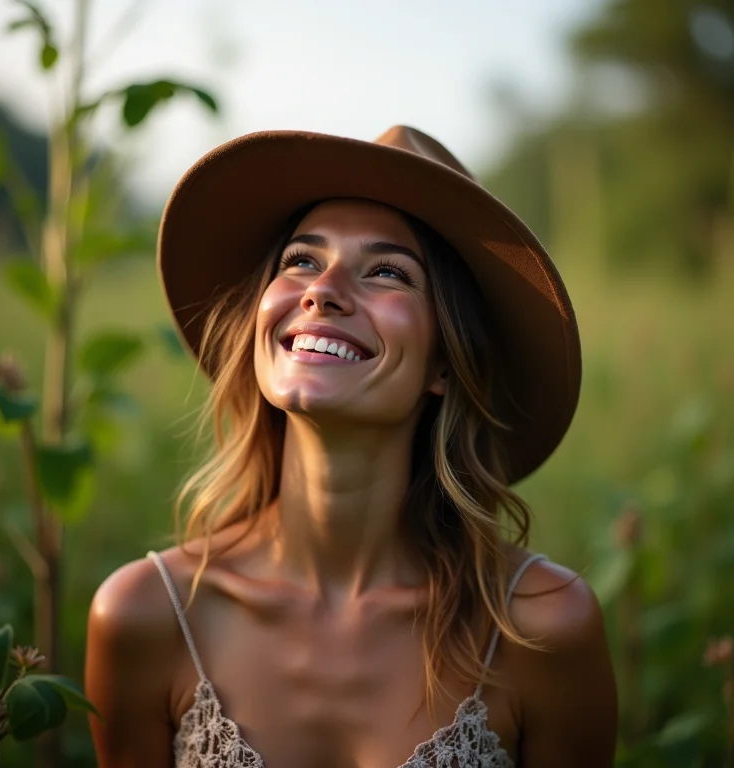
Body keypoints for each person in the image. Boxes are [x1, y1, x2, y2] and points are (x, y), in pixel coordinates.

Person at [85, 126, 617, 767]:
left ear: (445, 364)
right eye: (302, 260)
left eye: (388, 272)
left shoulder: (540, 627)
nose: (322, 289)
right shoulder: (146, 615)